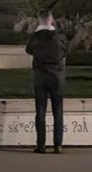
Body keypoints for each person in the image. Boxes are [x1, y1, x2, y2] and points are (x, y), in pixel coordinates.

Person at [25, 10, 67, 153]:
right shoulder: (59, 36)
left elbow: (28, 50)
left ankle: (41, 145)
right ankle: (58, 145)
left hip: (40, 76)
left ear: (39, 20)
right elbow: (65, 50)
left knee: (41, 110)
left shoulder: (35, 37)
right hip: (57, 77)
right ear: (51, 19)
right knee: (58, 111)